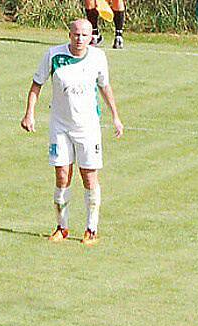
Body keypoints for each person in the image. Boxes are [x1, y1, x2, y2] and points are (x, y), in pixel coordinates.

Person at [20, 19, 123, 246]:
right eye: (75, 34)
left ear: (91, 38)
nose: (79, 39)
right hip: (60, 126)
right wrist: (29, 113)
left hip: (87, 127)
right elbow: (37, 84)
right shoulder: (53, 55)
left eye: (84, 35)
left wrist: (115, 116)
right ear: (69, 35)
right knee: (62, 175)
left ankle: (91, 229)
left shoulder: (98, 58)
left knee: (88, 176)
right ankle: (61, 227)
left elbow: (105, 87)